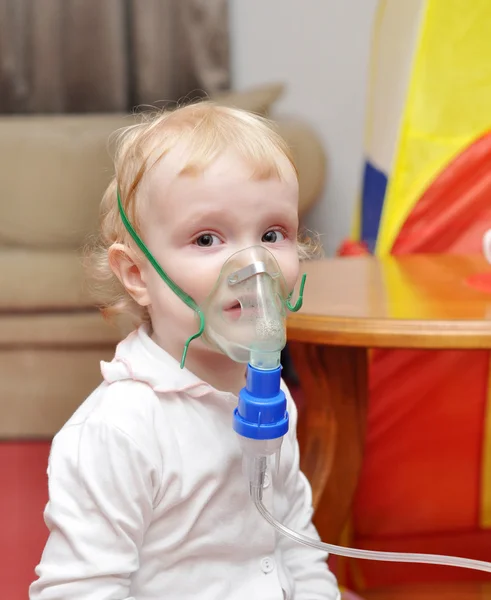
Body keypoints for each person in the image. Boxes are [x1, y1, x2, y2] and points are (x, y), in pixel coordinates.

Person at [29, 101, 341, 600]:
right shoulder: (120, 430)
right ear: (137, 274)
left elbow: (297, 542)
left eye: (272, 234)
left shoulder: (268, 391)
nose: (253, 264)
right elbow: (79, 590)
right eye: (206, 238)